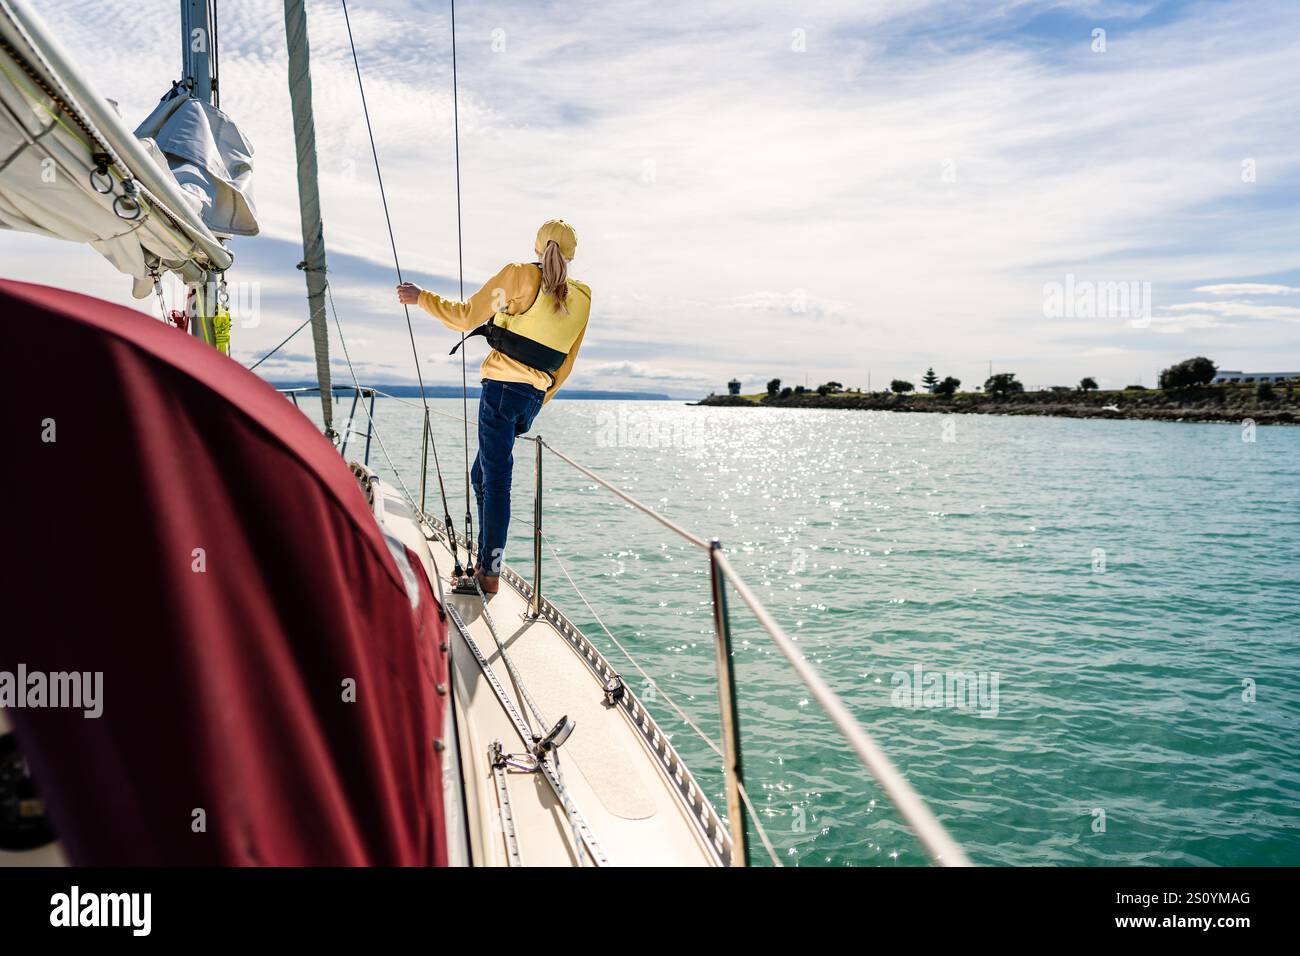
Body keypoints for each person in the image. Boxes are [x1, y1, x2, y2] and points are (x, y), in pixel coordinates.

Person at [396, 219, 590, 593]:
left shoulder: (519, 277)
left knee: (496, 481)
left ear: (537, 246)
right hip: (530, 400)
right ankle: (487, 562)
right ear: (571, 255)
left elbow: (466, 317)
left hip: (502, 391)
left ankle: (489, 575)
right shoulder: (581, 297)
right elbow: (567, 362)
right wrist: (538, 399)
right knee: (482, 476)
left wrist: (420, 297)